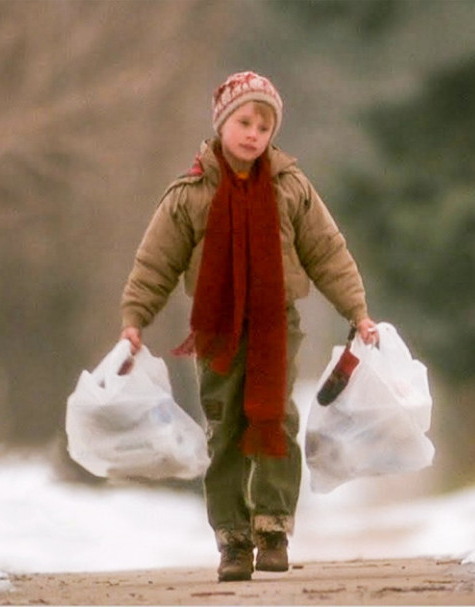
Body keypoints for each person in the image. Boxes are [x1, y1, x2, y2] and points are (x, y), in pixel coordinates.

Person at [119, 71, 378, 582]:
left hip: (276, 324)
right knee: (226, 429)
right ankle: (233, 540)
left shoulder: (291, 188)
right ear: (221, 124)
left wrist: (358, 312)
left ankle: (273, 527)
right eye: (244, 121)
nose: (254, 133)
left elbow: (326, 251)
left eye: (264, 125)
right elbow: (155, 263)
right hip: (215, 328)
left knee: (276, 419)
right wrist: (134, 319)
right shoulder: (190, 193)